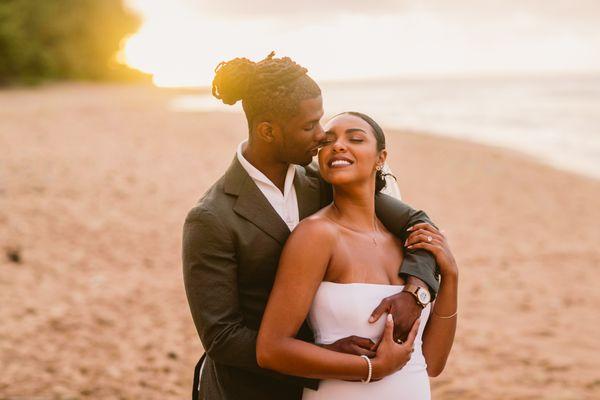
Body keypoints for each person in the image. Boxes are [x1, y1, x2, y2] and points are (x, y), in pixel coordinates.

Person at [182, 52, 443, 400]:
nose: (322, 136)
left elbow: (417, 223)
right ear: (268, 131)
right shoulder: (212, 218)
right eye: (309, 127)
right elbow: (222, 338)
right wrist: (324, 357)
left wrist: (416, 290)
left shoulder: (322, 183)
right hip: (250, 391)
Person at [256, 112, 459, 399]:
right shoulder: (316, 235)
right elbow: (271, 349)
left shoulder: (406, 243)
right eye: (328, 141)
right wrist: (370, 369)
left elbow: (433, 362)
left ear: (381, 158)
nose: (338, 146)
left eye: (355, 138)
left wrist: (451, 276)